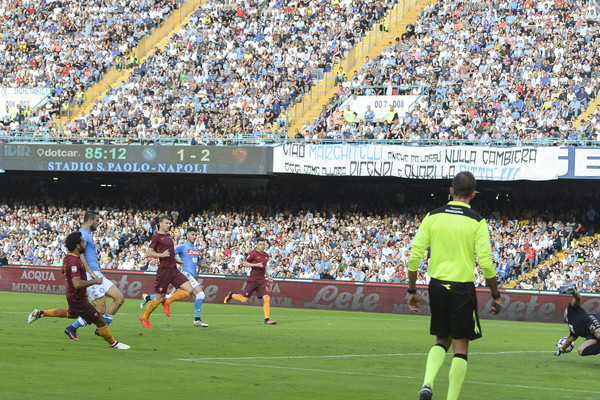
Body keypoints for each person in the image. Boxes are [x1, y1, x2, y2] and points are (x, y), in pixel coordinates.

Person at [407, 171, 502, 400]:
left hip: (437, 286)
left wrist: (412, 290)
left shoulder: (432, 216)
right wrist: (495, 294)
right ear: (473, 194)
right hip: (461, 288)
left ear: (451, 191)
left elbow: (414, 256)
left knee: (442, 340)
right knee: (461, 347)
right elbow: (486, 263)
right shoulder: (477, 221)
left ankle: (427, 383)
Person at [27, 232, 129, 349]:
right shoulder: (74, 261)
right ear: (78, 245)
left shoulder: (69, 258)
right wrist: (94, 281)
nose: (84, 243)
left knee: (71, 314)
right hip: (78, 298)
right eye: (82, 242)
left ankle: (41, 313)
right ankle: (114, 344)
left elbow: (63, 270)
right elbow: (76, 283)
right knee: (100, 320)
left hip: (73, 296)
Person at [67, 211, 125, 338]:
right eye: (97, 221)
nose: (99, 223)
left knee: (119, 298)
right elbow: (80, 254)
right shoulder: (82, 235)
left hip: (97, 274)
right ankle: (72, 328)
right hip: (90, 275)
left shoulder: (87, 234)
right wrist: (91, 273)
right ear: (90, 221)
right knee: (100, 309)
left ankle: (101, 328)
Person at [140, 227, 208, 327]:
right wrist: (173, 260)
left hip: (190, 276)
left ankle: (148, 297)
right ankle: (197, 319)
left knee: (168, 296)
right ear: (187, 235)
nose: (194, 236)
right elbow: (171, 254)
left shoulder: (196, 249)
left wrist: (206, 266)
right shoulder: (182, 247)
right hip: (185, 274)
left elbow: (197, 262)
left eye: (195, 235)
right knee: (200, 294)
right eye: (192, 234)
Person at [224, 237, 277, 325]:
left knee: (267, 298)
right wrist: (255, 264)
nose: (262, 246)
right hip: (253, 280)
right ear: (257, 244)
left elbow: (265, 267)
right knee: (244, 299)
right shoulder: (253, 254)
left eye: (264, 244)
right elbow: (244, 263)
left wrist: (268, 276)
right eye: (260, 244)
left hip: (262, 280)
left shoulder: (266, 255)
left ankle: (267, 319)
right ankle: (231, 295)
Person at [555, 287, 600, 357]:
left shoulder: (571, 309)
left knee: (598, 332)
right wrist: (561, 349)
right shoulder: (572, 329)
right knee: (581, 350)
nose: (565, 310)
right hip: (591, 335)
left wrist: (574, 292)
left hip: (591, 320)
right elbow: (568, 341)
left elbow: (578, 298)